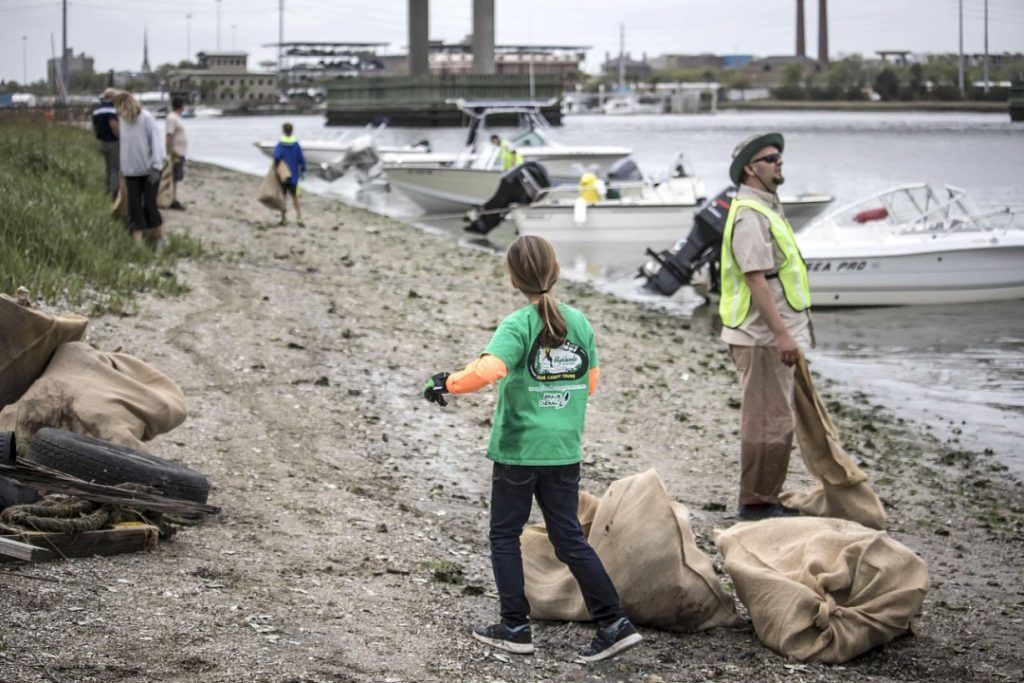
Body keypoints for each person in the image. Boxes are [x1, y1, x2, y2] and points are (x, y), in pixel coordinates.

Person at [422, 235, 642, 664]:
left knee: (505, 533)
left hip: (520, 451)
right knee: (569, 538)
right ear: (555, 271)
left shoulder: (518, 323)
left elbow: (491, 369)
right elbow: (591, 382)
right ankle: (614, 623)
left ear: (512, 277)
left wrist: (446, 382)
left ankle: (514, 626)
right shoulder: (578, 322)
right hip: (563, 450)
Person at [719, 132, 813, 521]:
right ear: (750, 169)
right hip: (760, 336)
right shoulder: (750, 214)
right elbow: (756, 279)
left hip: (769, 333)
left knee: (777, 419)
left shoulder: (767, 208)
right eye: (771, 158)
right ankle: (757, 503)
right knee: (766, 420)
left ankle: (764, 496)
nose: (780, 163)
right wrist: (782, 335)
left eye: (779, 157)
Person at [113, 91, 165, 250]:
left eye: (124, 109)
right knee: (134, 207)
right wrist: (123, 168)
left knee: (149, 205)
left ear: (130, 105)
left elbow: (156, 142)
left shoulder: (147, 118)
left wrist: (156, 166)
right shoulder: (123, 120)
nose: (123, 113)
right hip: (131, 172)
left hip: (150, 171)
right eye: (120, 111)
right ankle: (137, 244)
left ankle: (160, 239)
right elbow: (125, 145)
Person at [272, 122, 306, 226]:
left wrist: (278, 165)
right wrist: (303, 170)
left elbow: (277, 156)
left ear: (283, 131)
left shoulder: (280, 144)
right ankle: (299, 217)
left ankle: (284, 218)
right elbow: (301, 159)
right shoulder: (296, 145)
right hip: (294, 176)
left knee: (283, 196)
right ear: (292, 131)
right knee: (295, 196)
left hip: (283, 175)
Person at [92, 88, 120, 199]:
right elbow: (113, 125)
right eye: (115, 97)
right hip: (112, 142)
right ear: (111, 97)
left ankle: (107, 190)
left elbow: (94, 127)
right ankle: (115, 194)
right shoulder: (111, 110)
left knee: (107, 168)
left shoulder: (96, 110)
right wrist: (121, 137)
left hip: (102, 142)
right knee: (115, 169)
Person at [164, 96, 188, 210]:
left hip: (180, 152)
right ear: (181, 106)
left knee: (176, 177)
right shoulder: (172, 118)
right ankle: (172, 199)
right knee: (173, 176)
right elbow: (169, 135)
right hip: (176, 152)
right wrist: (170, 152)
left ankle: (173, 198)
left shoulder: (176, 118)